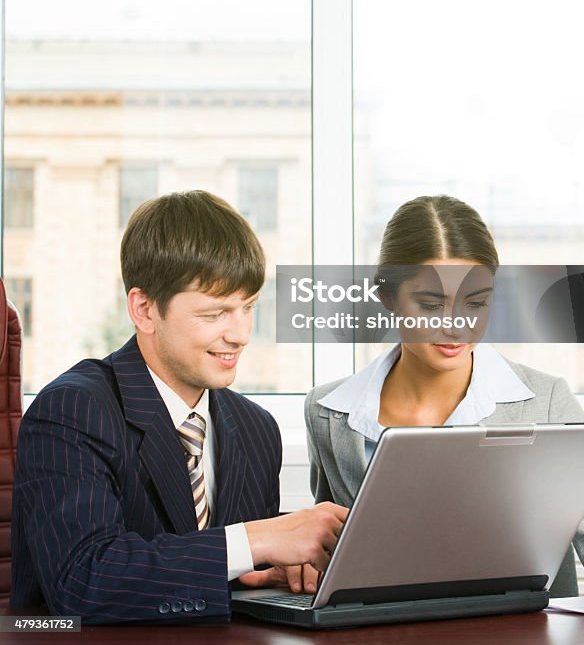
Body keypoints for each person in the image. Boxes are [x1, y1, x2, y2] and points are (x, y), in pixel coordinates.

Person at [305, 195, 584, 617]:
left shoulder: (547, 401)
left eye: (476, 303)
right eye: (430, 304)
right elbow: (330, 545)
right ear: (387, 296)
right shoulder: (328, 412)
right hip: (387, 631)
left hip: (519, 633)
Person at [11, 190, 346, 624]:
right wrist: (254, 541)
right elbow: (83, 582)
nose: (242, 334)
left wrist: (271, 568)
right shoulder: (73, 410)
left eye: (249, 308)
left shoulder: (255, 428)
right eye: (215, 314)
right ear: (145, 309)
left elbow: (232, 577)